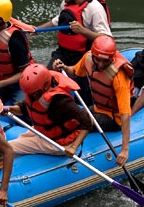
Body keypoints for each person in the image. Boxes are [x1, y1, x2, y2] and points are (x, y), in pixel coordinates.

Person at [35, 0, 112, 105]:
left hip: (84, 55)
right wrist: (36, 30)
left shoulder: (94, 8)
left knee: (84, 96)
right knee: (47, 79)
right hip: (63, 52)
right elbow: (57, 21)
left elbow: (106, 38)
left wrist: (83, 31)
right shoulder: (65, 4)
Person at [57, 36, 133, 166]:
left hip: (114, 119)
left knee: (79, 123)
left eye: (106, 61)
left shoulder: (119, 77)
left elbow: (125, 115)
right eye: (98, 60)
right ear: (93, 55)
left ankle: (71, 147)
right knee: (68, 118)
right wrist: (63, 67)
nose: (101, 65)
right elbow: (74, 71)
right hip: (98, 108)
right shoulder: (88, 58)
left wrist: (125, 150)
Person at [6, 63, 92, 158]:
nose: (32, 96)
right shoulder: (35, 92)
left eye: (34, 93)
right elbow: (24, 108)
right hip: (47, 132)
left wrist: (74, 147)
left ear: (46, 86)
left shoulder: (60, 101)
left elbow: (87, 121)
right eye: (30, 93)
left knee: (9, 147)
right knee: (21, 138)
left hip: (60, 142)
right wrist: (10, 109)